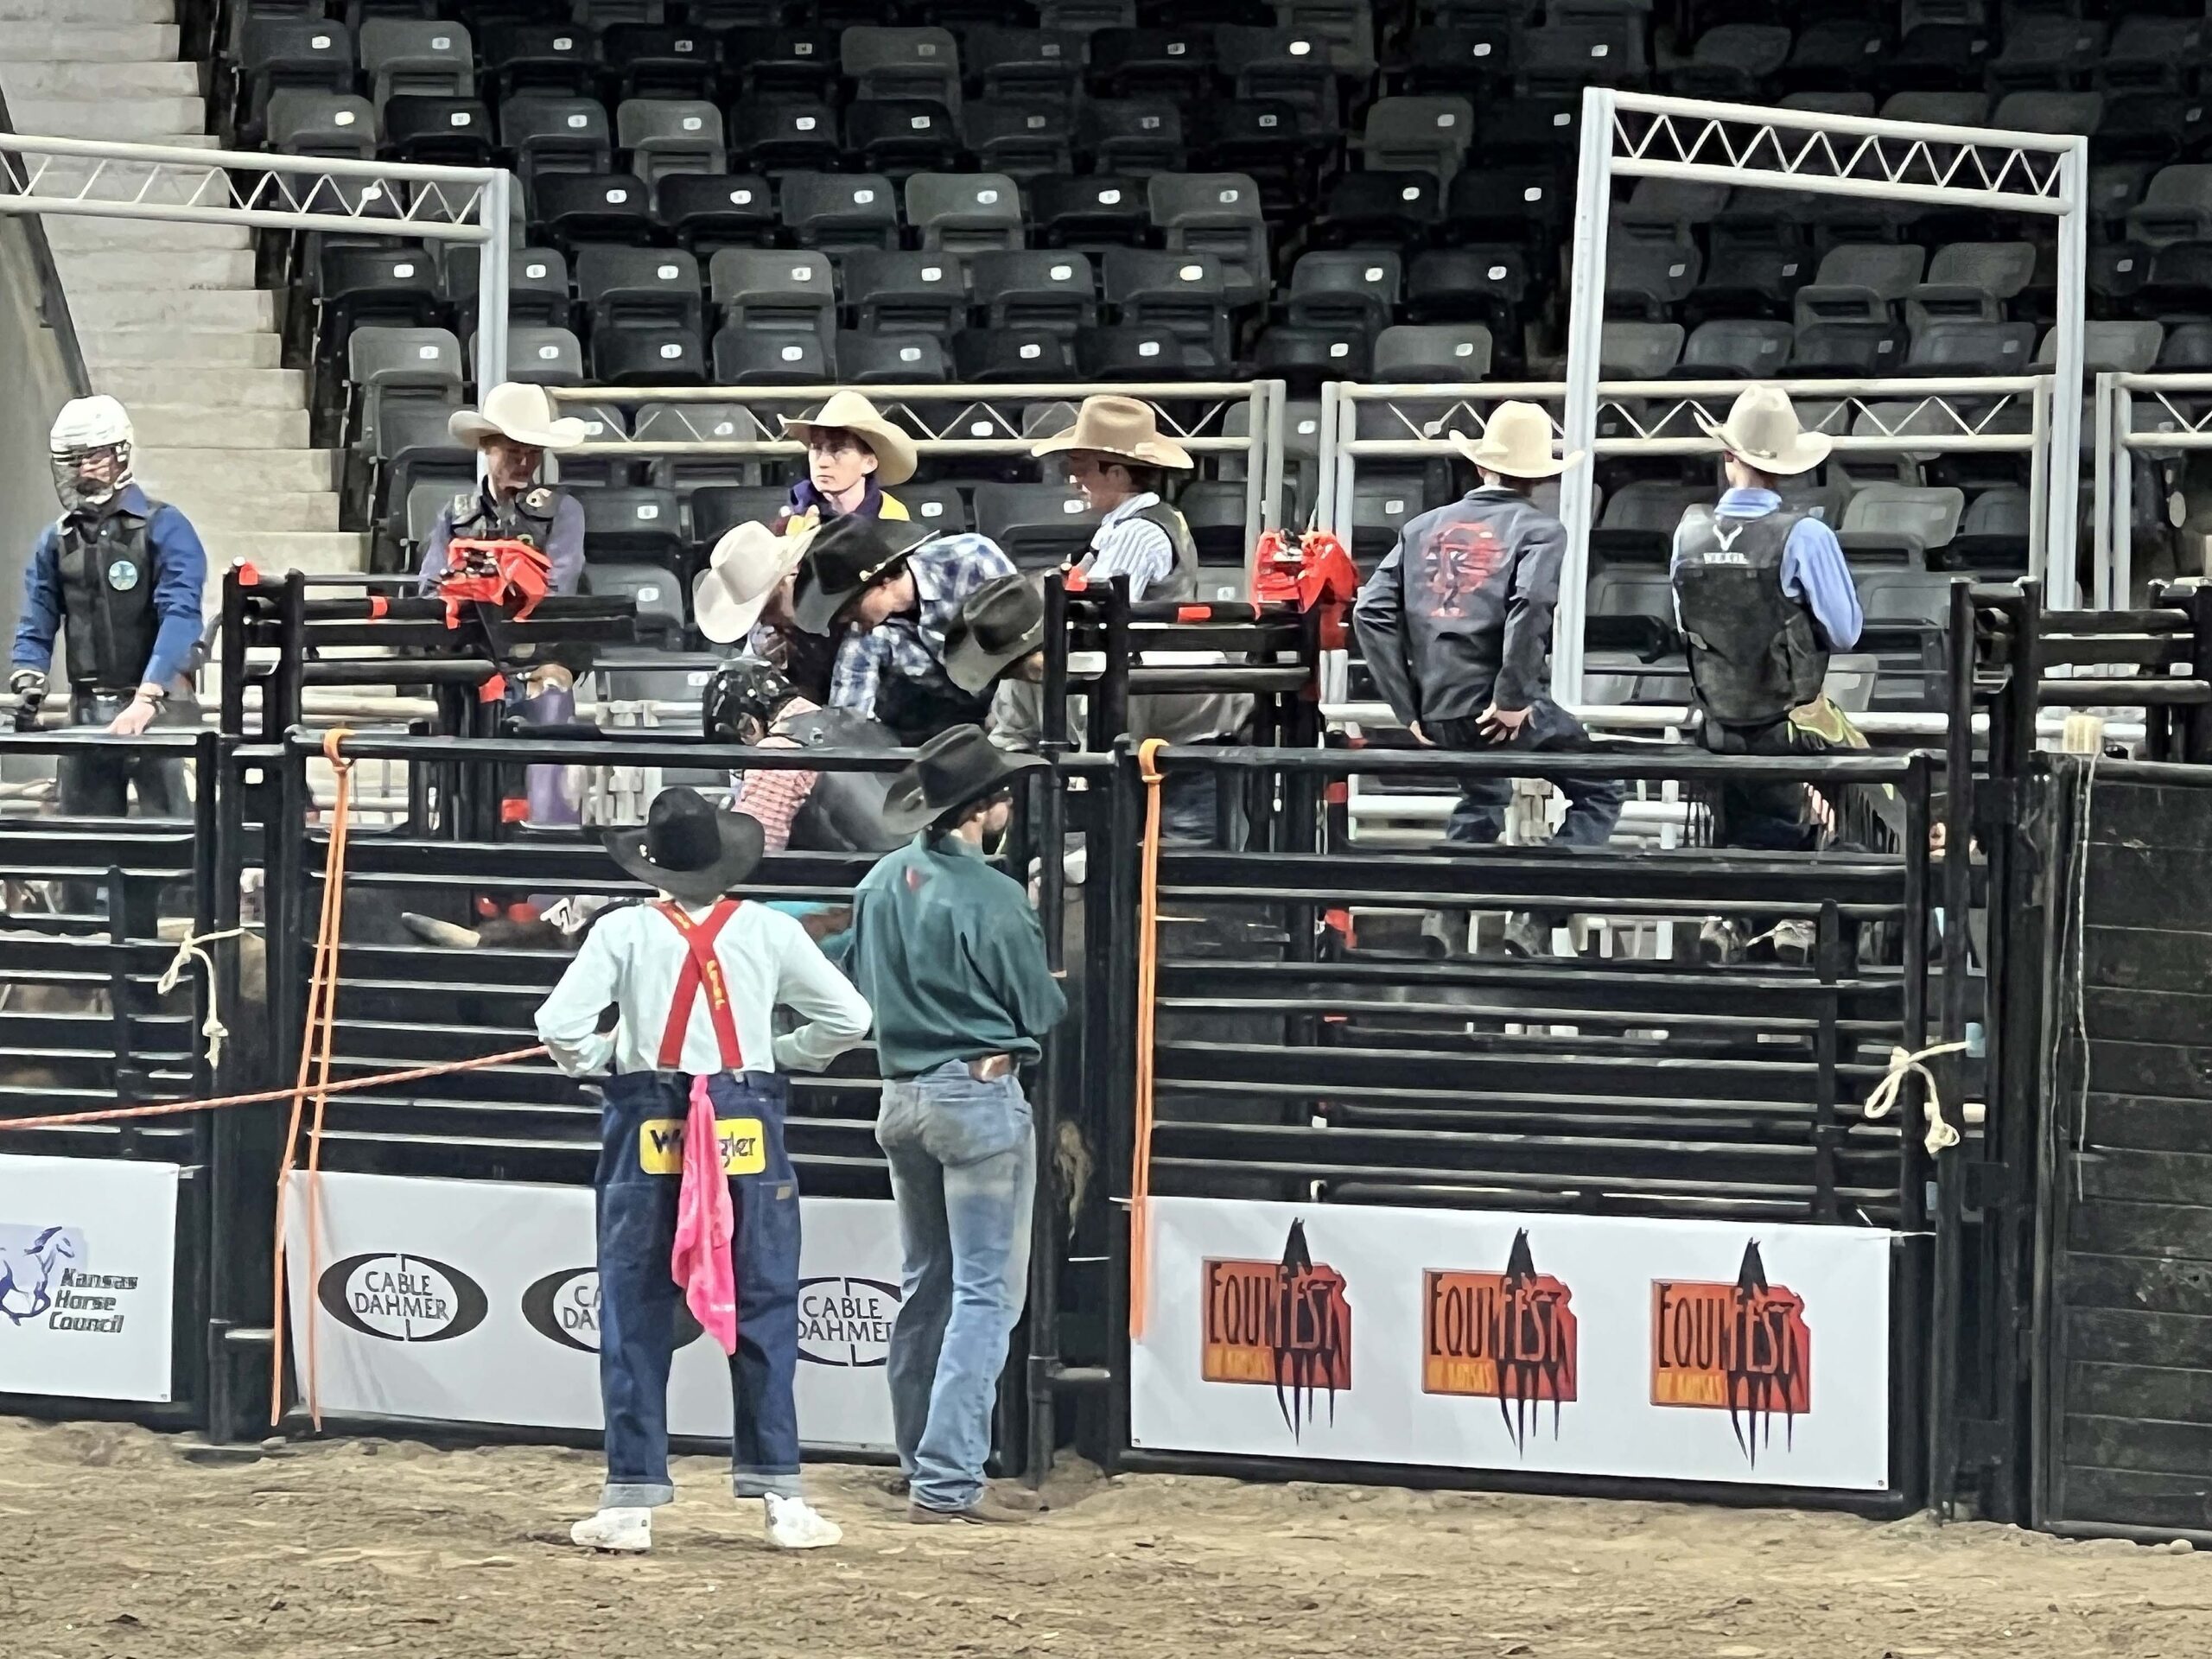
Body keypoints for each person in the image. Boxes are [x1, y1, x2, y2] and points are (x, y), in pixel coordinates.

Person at [535, 786, 874, 1555]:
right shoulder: (768, 930)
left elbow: (558, 1025)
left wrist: (604, 1061)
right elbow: (850, 1019)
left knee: (635, 1307)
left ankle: (631, 1504)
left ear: (654, 865)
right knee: (763, 1303)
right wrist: (783, 1054)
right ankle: (782, 1499)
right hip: (743, 1120)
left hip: (648, 1122)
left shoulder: (622, 931)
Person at [844, 726, 1068, 1525]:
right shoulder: (994, 897)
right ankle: (947, 1480)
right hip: (976, 1096)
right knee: (984, 1295)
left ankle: (923, 1462)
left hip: (900, 1093)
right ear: (987, 807)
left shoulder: (879, 882)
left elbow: (853, 979)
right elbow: (1038, 1008)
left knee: (927, 1285)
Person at [1352, 401, 1626, 957]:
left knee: (1484, 793)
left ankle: (1445, 912)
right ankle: (1535, 914)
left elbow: (1369, 612)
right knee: (1601, 786)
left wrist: (1408, 708)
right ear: (1538, 477)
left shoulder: (1420, 528)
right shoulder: (1541, 530)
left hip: (1439, 711)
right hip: (1503, 708)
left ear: (1482, 466)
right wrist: (1512, 697)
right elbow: (1531, 605)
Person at [1671, 386, 1866, 965]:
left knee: (1750, 811)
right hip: (1789, 720)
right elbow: (1845, 631)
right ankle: (1801, 911)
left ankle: (1734, 912)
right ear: (1786, 466)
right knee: (1865, 798)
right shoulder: (1805, 535)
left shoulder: (1687, 532)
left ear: (1728, 457)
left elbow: (1683, 620)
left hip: (1716, 722)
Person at [1026, 396, 1252, 837]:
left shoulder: (1139, 532)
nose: (1074, 479)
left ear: (1117, 473)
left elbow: (1098, 611)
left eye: (1082, 467)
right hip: (1157, 705)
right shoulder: (1125, 525)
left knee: (1176, 852)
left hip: (1162, 707)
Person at [9, 395, 207, 820]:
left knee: (173, 836)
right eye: (72, 460)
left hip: (162, 709)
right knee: (86, 840)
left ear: (120, 454)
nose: (82, 470)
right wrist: (29, 674)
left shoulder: (165, 526)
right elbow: (37, 617)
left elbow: (181, 615)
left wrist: (149, 695)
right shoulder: (58, 540)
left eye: (93, 457)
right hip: (87, 710)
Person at [417, 381, 592, 821]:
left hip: (541, 650)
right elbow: (429, 589)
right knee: (460, 736)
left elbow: (559, 586)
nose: (525, 463)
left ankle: (545, 825)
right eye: (514, 452)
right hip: (472, 653)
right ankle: (459, 815)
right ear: (488, 448)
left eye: (533, 453)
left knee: (549, 693)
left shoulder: (563, 510)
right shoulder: (455, 513)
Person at [792, 514, 1015, 745]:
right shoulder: (868, 634)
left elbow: (1021, 639)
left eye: (850, 606)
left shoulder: (971, 558)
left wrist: (1005, 714)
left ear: (883, 581)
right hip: (954, 712)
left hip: (1014, 699)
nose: (845, 619)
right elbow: (848, 718)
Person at [702, 652, 901, 854]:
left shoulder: (776, 754)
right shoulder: (853, 720)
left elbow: (752, 852)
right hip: (908, 857)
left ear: (747, 725)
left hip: (860, 870)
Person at [777, 390, 918, 537]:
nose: (823, 462)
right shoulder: (794, 520)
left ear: (869, 463)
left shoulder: (893, 519)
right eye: (816, 448)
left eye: (837, 450)